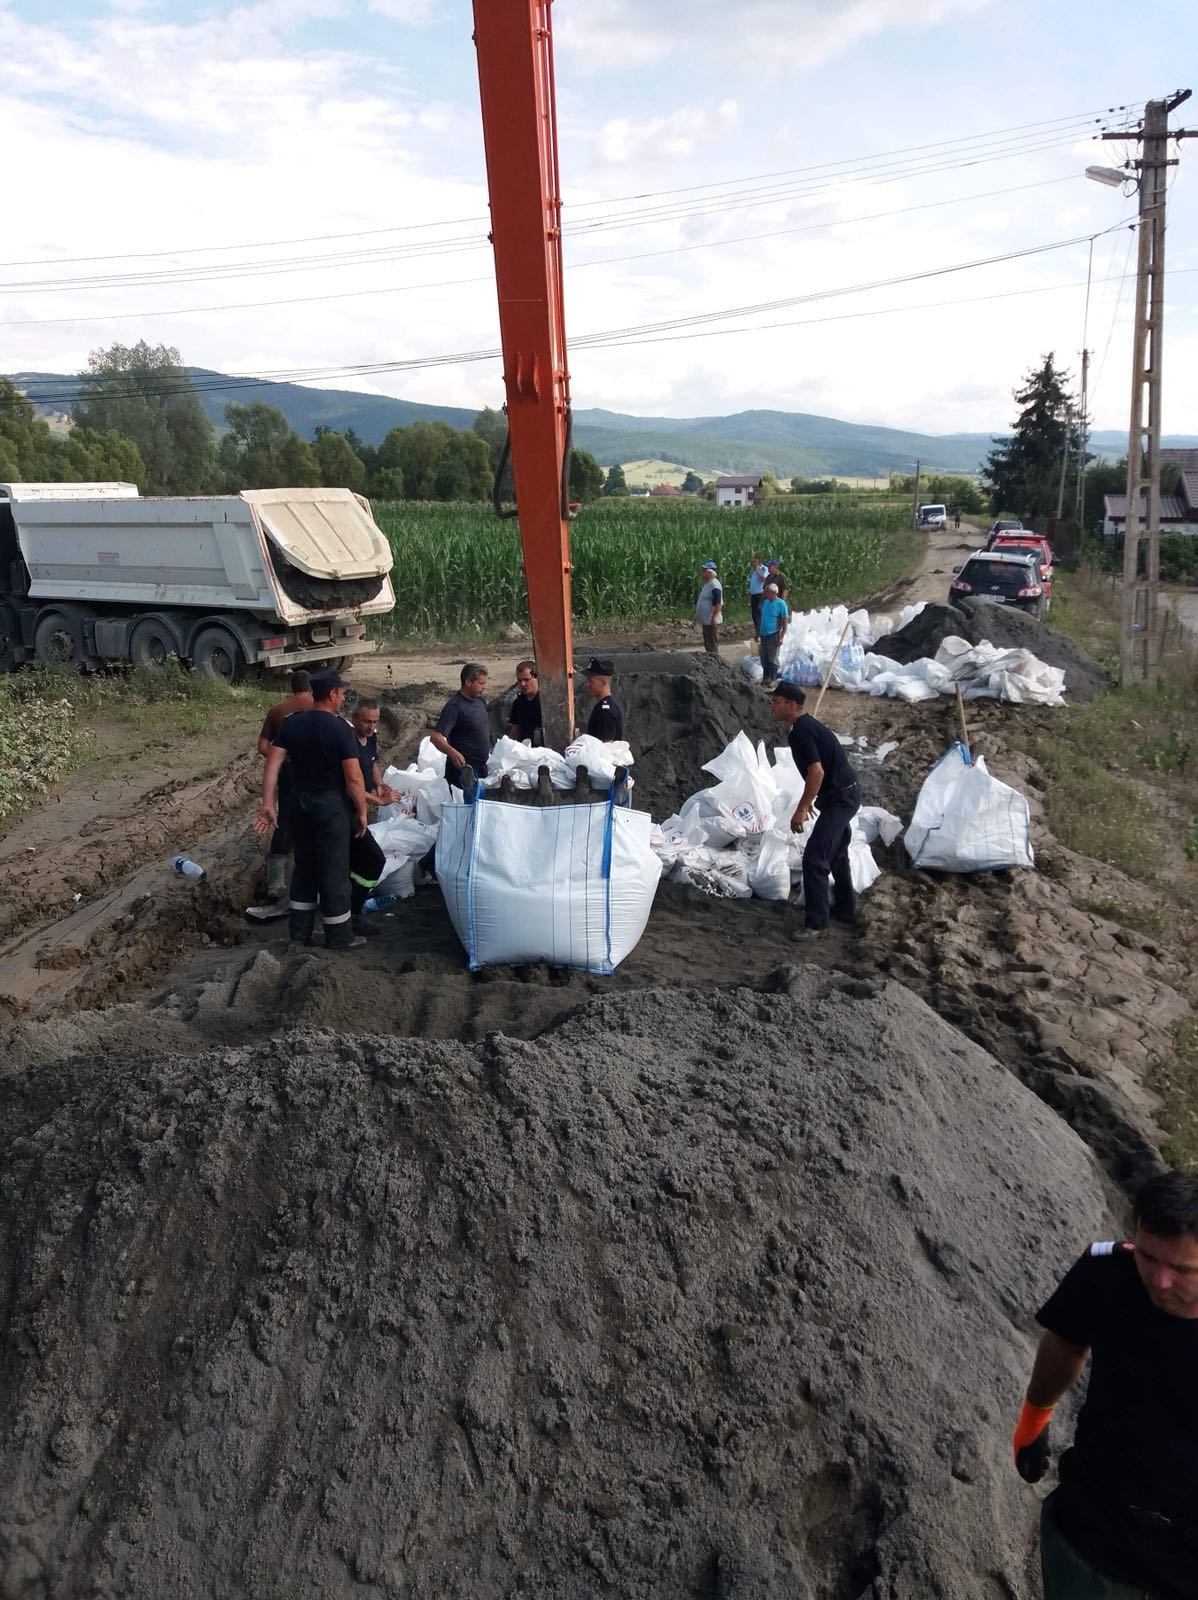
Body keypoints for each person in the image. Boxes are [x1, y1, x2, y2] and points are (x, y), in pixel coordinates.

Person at [1014, 1169, 1198, 1600]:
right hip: (1097, 1521)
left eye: (1183, 1269)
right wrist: (1032, 1421)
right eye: (1149, 1258)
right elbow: (1066, 1340)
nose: (1160, 1280)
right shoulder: (1107, 1275)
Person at [254, 668, 367, 951]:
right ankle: (339, 936)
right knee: (333, 869)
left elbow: (272, 765)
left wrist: (268, 804)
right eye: (341, 692)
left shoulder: (292, 724)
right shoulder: (341, 729)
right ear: (331, 694)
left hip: (298, 804)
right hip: (330, 806)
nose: (343, 697)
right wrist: (362, 811)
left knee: (303, 868)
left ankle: (299, 935)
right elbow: (353, 778)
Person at [768, 682, 860, 935]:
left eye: (776, 701)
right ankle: (846, 909)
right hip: (840, 796)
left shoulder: (802, 731)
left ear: (791, 705)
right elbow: (818, 772)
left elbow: (816, 772)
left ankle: (815, 924)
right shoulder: (802, 728)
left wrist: (802, 807)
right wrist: (811, 800)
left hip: (841, 799)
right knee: (838, 855)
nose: (771, 706)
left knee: (815, 858)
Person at [255, 669, 313, 902]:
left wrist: (280, 756)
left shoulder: (277, 710)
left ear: (292, 688)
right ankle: (310, 876)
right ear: (310, 688)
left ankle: (276, 885)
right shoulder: (318, 707)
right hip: (315, 771)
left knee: (285, 820)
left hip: (289, 772)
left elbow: (262, 746)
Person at [347, 698, 399, 937]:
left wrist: (380, 784)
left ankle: (349, 909)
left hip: (361, 810)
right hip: (348, 810)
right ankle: (352, 913)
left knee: (358, 862)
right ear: (354, 718)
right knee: (374, 859)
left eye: (375, 722)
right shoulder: (347, 742)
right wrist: (380, 801)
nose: (371, 726)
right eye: (367, 721)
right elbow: (352, 783)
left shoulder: (371, 738)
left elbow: (373, 762)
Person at [431, 662, 491, 790]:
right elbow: (436, 737)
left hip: (482, 768)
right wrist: (452, 753)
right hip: (462, 770)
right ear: (468, 682)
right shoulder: (454, 707)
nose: (484, 687)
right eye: (480, 683)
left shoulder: (480, 700)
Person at [582, 657, 624, 741]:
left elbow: (604, 749)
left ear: (603, 683)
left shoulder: (605, 713)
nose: (587, 684)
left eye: (591, 681)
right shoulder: (603, 707)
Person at [757, 582, 789, 686]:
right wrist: (758, 632)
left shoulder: (781, 604)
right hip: (764, 634)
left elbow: (784, 620)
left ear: (773, 593)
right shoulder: (765, 603)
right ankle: (766, 677)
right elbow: (761, 618)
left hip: (773, 634)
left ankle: (773, 678)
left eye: (767, 592)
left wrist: (781, 636)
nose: (766, 594)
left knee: (772, 657)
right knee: (763, 657)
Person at [507, 659, 543, 745]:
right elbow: (515, 730)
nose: (522, 684)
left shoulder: (545, 701)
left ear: (536, 678)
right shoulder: (518, 702)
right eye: (519, 680)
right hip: (524, 749)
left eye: (526, 680)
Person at [696, 561, 723, 655]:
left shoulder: (714, 585)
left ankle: (715, 660)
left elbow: (718, 604)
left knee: (712, 643)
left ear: (709, 573)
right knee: (708, 642)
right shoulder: (708, 584)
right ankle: (711, 659)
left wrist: (713, 618)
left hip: (711, 620)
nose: (701, 573)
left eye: (703, 571)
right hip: (707, 620)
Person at [747, 553, 770, 640]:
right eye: (753, 562)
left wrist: (757, 571)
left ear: (760, 562)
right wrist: (749, 596)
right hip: (753, 595)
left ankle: (760, 633)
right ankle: (757, 631)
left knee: (759, 614)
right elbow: (752, 584)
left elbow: (764, 580)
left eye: (755, 562)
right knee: (754, 615)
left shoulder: (764, 569)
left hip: (760, 595)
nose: (753, 564)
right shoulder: (753, 572)